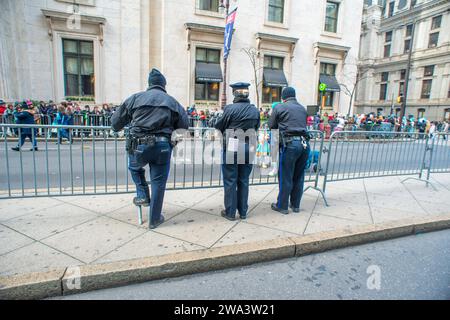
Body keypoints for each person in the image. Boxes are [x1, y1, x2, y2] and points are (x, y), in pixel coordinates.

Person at [111, 68, 189, 229]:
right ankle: (154, 219)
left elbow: (115, 124)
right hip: (162, 146)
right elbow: (184, 127)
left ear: (149, 84)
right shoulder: (172, 102)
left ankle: (142, 194)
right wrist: (171, 143)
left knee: (134, 167)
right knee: (159, 183)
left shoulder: (135, 98)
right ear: (163, 85)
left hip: (138, 144)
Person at [215, 82, 260, 221]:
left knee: (230, 179)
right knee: (244, 179)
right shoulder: (254, 110)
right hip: (248, 145)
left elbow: (219, 125)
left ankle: (230, 212)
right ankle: (243, 211)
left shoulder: (230, 109)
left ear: (234, 94)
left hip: (233, 144)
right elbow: (257, 127)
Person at [268, 86, 309, 214]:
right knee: (299, 176)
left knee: (286, 176)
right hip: (304, 144)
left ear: (283, 97)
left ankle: (282, 205)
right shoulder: (302, 108)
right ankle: (295, 205)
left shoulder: (279, 107)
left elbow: (271, 125)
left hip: (290, 144)